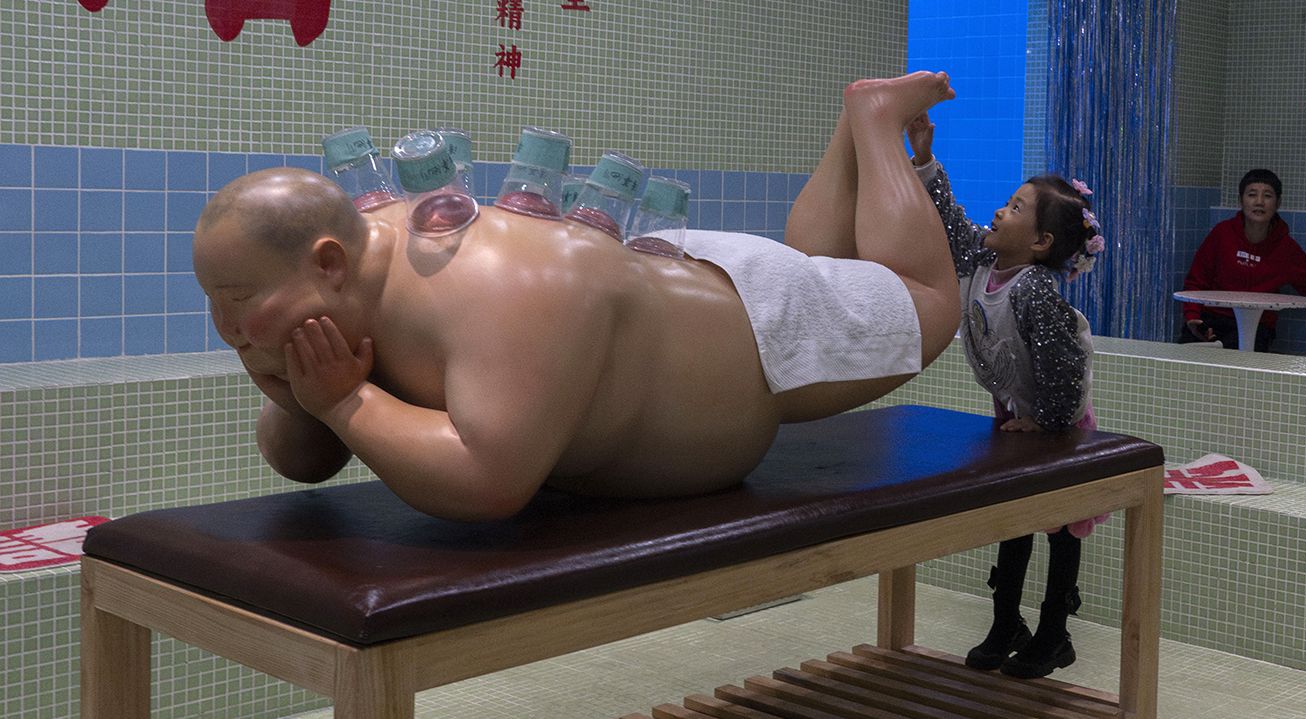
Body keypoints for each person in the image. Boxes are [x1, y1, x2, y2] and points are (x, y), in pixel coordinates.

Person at [192, 72, 964, 522]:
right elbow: (304, 458)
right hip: (668, 281)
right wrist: (309, 398)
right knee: (822, 262)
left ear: (328, 261)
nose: (228, 326)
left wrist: (339, 403)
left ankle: (874, 120)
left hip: (743, 332)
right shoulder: (350, 283)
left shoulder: (494, 283)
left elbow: (486, 480)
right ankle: (851, 120)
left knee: (924, 300)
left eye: (235, 296)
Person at [907, 113, 1104, 680]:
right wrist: (925, 157)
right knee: (1015, 513)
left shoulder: (1036, 290)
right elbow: (949, 221)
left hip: (1058, 420)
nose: (1000, 210)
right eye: (1007, 202)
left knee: (1062, 522)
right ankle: (1004, 623)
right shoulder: (982, 260)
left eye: (1016, 208)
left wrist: (1047, 423)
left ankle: (1054, 631)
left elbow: (1065, 370)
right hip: (1017, 410)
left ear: (1041, 243)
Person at [1179, 169, 1306, 351]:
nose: (1259, 202)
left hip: (1258, 327)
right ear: (1240, 201)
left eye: (1267, 196)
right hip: (1212, 319)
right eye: (1252, 195)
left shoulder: (1285, 248)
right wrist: (1193, 318)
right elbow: (1196, 280)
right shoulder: (1222, 235)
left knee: (1238, 355)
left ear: (1277, 203)